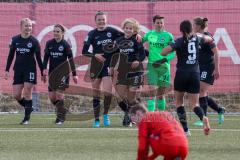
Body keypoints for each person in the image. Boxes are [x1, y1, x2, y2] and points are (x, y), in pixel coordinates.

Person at [161, 20, 212, 136]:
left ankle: (185, 130)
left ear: (181, 30)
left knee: (179, 102)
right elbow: (210, 39)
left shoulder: (179, 41)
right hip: (194, 74)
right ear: (191, 29)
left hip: (182, 74)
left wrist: (172, 46)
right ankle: (203, 117)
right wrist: (200, 36)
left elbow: (163, 52)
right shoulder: (197, 38)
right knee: (194, 105)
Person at [82, 11, 123, 128]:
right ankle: (96, 120)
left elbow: (126, 36)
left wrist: (137, 35)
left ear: (106, 20)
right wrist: (95, 55)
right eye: (99, 19)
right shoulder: (91, 34)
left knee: (107, 92)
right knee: (95, 93)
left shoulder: (112, 31)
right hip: (95, 66)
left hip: (108, 66)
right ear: (95, 21)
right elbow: (84, 51)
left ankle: (105, 114)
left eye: (103, 19)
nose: (101, 21)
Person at [4, 18, 44, 125]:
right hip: (18, 70)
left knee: (27, 92)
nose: (28, 28)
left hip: (30, 70)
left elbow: (39, 58)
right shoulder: (14, 40)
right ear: (21, 27)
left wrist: (42, 71)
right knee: (17, 95)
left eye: (30, 26)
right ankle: (28, 107)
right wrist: (7, 70)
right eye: (26, 25)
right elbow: (10, 56)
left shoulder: (34, 41)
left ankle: (26, 119)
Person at [110, 18, 146, 127]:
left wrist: (137, 60)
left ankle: (130, 118)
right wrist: (111, 66)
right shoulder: (119, 41)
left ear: (134, 30)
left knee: (131, 99)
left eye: (130, 28)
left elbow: (143, 54)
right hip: (123, 72)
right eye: (126, 28)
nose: (128, 30)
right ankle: (131, 113)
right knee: (118, 97)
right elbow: (114, 55)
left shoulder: (137, 41)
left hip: (135, 72)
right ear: (123, 29)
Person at [42, 24, 78, 124]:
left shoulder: (66, 45)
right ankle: (63, 109)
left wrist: (74, 74)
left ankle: (60, 117)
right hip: (52, 73)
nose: (55, 33)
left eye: (58, 31)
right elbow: (45, 58)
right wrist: (44, 69)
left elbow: (71, 60)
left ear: (62, 33)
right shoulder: (49, 43)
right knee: (52, 97)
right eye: (54, 31)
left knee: (59, 95)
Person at [192, 17, 225, 126]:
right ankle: (219, 109)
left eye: (194, 24)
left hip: (208, 67)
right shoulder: (197, 37)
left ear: (198, 26)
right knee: (203, 93)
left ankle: (203, 119)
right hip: (200, 67)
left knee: (201, 92)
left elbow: (216, 53)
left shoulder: (208, 37)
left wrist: (217, 69)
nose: (192, 26)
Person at [142, 15, 175, 111]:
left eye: (161, 22)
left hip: (164, 67)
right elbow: (139, 44)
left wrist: (164, 59)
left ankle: (161, 116)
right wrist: (144, 53)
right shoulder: (149, 34)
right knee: (152, 92)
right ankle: (151, 116)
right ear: (154, 23)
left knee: (161, 94)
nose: (160, 24)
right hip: (152, 66)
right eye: (158, 22)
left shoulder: (168, 36)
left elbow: (173, 52)